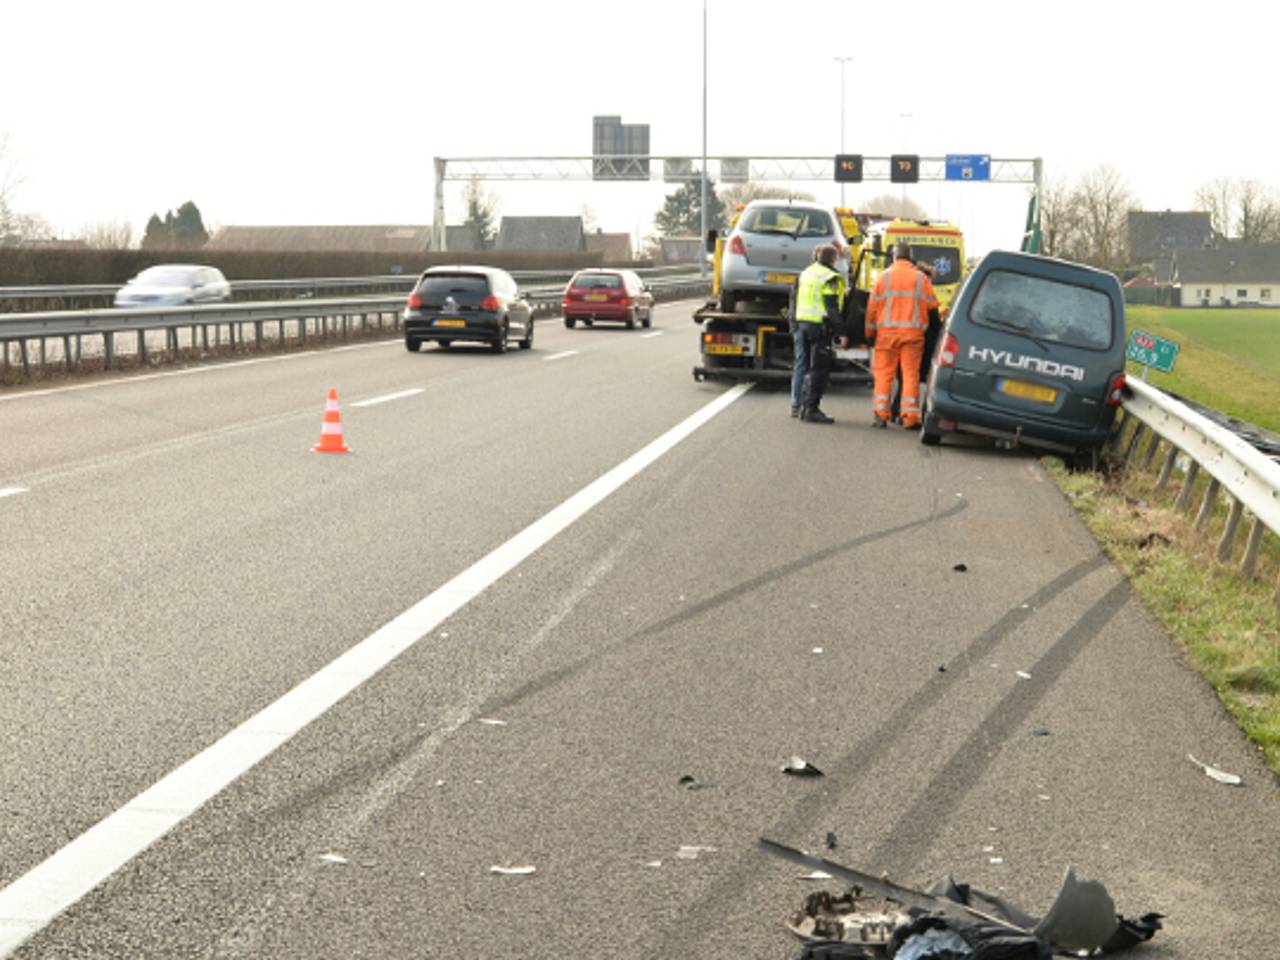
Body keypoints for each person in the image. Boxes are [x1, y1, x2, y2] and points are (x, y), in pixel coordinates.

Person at [865, 242, 939, 429]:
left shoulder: (883, 278)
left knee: (884, 374)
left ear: (894, 256)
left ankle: (881, 415)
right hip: (913, 335)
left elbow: (872, 310)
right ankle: (910, 417)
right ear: (910, 256)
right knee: (910, 375)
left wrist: (869, 333)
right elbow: (932, 308)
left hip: (886, 335)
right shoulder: (922, 279)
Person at [790, 244, 847, 424]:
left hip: (802, 324)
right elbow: (831, 307)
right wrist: (841, 332)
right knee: (819, 369)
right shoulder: (829, 277)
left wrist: (794, 325)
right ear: (833, 258)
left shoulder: (806, 273)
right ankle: (811, 409)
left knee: (803, 365)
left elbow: (795, 299)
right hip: (819, 326)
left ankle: (799, 405)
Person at [888, 258, 943, 423]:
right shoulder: (924, 294)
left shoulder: (901, 291)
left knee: (903, 378)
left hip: (895, 338)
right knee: (911, 379)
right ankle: (904, 414)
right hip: (918, 341)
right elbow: (934, 321)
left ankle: (895, 411)